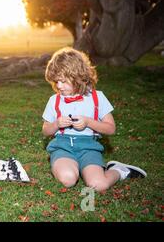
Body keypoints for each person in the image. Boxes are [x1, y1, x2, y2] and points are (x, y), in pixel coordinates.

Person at [42, 47, 146, 192]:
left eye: (63, 81)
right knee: (68, 179)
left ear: (78, 77)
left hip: (89, 148)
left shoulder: (97, 98)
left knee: (98, 185)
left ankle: (118, 170)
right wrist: (56, 124)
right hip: (63, 147)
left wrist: (88, 122)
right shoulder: (55, 100)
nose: (59, 86)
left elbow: (110, 128)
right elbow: (46, 130)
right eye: (56, 81)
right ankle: (68, 166)